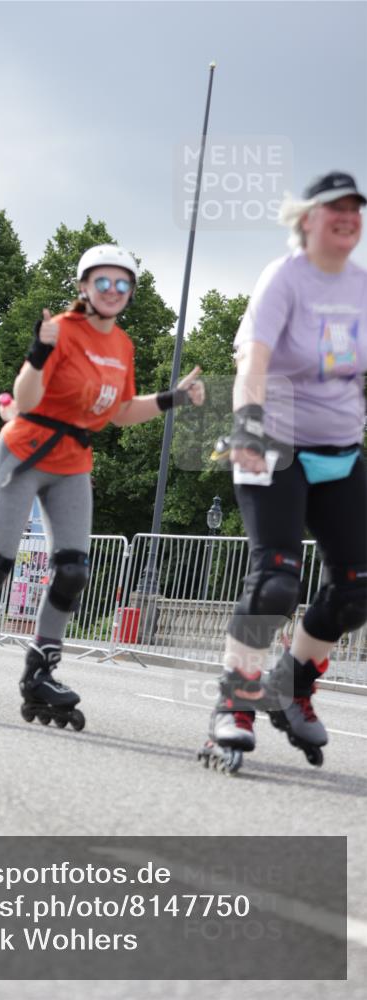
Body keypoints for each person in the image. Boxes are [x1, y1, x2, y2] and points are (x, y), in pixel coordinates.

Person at [0, 243, 205, 725]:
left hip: (72, 461)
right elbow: (25, 398)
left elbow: (122, 411)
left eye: (122, 283)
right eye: (102, 282)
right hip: (24, 452)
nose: (112, 291)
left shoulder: (122, 346)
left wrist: (175, 399)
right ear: (84, 287)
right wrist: (38, 351)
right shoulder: (61, 330)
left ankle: (39, 673)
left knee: (73, 572)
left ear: (130, 292)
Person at [204, 171, 367, 770]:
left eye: (356, 207)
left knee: (355, 590)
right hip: (271, 441)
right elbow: (253, 359)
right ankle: (236, 704)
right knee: (276, 581)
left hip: (339, 450)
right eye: (335, 208)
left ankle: (290, 687)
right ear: (307, 219)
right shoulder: (284, 278)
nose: (347, 216)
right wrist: (246, 422)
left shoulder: (363, 287)